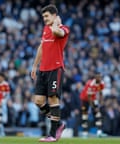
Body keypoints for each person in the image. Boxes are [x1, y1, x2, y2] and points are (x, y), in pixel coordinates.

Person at [31, 4, 70, 142]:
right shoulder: (46, 29)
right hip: (43, 69)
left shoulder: (64, 29)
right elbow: (42, 47)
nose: (45, 19)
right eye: (43, 17)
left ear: (54, 15)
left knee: (53, 99)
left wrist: (57, 24)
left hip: (55, 68)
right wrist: (35, 66)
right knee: (38, 101)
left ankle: (52, 134)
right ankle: (59, 124)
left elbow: (56, 33)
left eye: (47, 16)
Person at [80, 72, 105, 137]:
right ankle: (84, 132)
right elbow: (89, 97)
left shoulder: (101, 83)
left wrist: (100, 102)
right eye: (98, 77)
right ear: (95, 77)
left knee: (98, 114)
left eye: (100, 77)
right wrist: (93, 107)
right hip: (85, 99)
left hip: (93, 98)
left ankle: (99, 132)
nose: (99, 78)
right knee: (85, 115)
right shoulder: (91, 84)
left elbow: (100, 92)